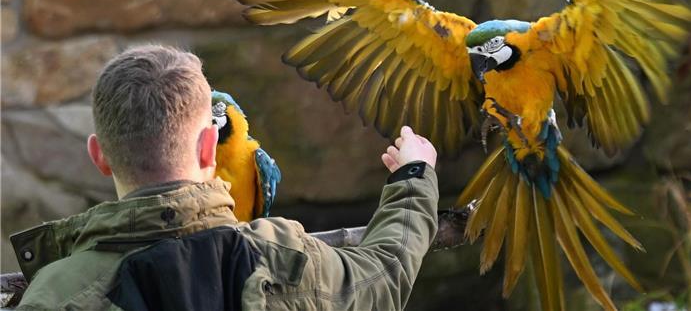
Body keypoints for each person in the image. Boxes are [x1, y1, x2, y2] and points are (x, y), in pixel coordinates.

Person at [11, 45, 439, 311]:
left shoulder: (56, 293)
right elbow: (385, 271)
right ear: (207, 146)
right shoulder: (286, 258)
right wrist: (413, 176)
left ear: (98, 156)